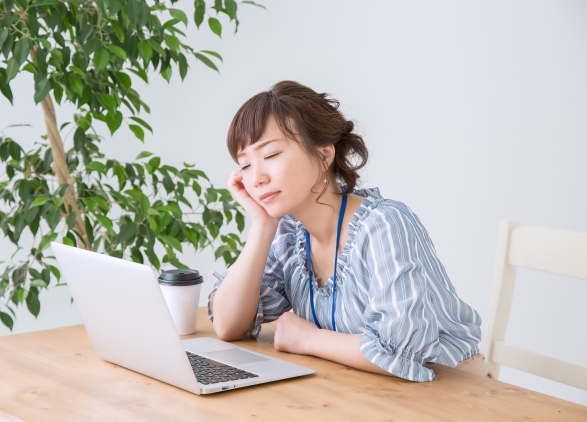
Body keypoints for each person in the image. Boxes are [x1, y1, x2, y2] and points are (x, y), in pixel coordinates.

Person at [208, 80, 491, 381]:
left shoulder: (385, 226)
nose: (257, 178)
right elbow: (228, 325)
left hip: (454, 392)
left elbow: (400, 354)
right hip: (359, 389)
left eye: (271, 155)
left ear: (324, 155)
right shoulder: (290, 235)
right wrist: (262, 226)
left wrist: (308, 339)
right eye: (245, 165)